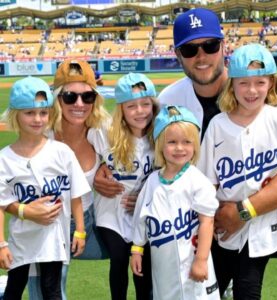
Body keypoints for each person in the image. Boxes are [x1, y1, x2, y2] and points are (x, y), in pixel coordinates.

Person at [157, 8, 277, 297]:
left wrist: (244, 211)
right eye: (190, 49)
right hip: (207, 219)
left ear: (224, 46)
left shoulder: (272, 104)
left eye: (209, 45)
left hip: (264, 207)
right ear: (177, 54)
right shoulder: (167, 102)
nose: (201, 56)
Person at [199, 43, 277, 299]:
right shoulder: (218, 125)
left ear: (271, 83)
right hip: (232, 225)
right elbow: (207, 183)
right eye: (243, 83)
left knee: (246, 283)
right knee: (236, 288)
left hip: (274, 214)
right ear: (231, 84)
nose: (252, 90)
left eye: (260, 82)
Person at [27, 59, 110, 300]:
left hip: (89, 222)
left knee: (138, 247)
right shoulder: (42, 134)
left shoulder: (100, 131)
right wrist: (23, 211)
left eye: (88, 97)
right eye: (70, 97)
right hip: (48, 222)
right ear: (57, 98)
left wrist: (106, 164)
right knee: (45, 292)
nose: (80, 104)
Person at [0, 76, 90, 300]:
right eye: (29, 113)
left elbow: (75, 193)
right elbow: (1, 205)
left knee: (52, 289)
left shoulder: (61, 152)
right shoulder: (4, 159)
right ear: (15, 115)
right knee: (14, 288)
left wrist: (79, 229)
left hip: (54, 235)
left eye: (43, 112)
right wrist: (1, 244)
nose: (37, 119)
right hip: (22, 238)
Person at [130, 105, 220, 300]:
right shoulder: (153, 181)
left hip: (192, 262)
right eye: (172, 142)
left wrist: (201, 260)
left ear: (195, 145)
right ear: (160, 144)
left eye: (187, 142)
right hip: (163, 265)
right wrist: (137, 249)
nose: (179, 148)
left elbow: (207, 222)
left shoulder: (198, 181)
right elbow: (140, 219)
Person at [88, 72, 159, 300]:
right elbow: (77, 144)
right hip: (110, 211)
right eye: (131, 106)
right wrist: (98, 167)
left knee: (143, 267)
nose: (140, 111)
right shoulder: (106, 133)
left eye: (145, 104)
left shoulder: (160, 136)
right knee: (119, 258)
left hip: (143, 213)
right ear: (121, 109)